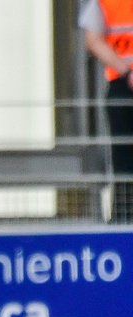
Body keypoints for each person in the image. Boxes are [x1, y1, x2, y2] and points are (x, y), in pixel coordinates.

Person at [80, 0, 133, 223]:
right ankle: (125, 218)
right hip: (124, 87)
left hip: (124, 83)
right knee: (124, 161)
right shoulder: (106, 2)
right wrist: (127, 72)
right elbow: (93, 41)